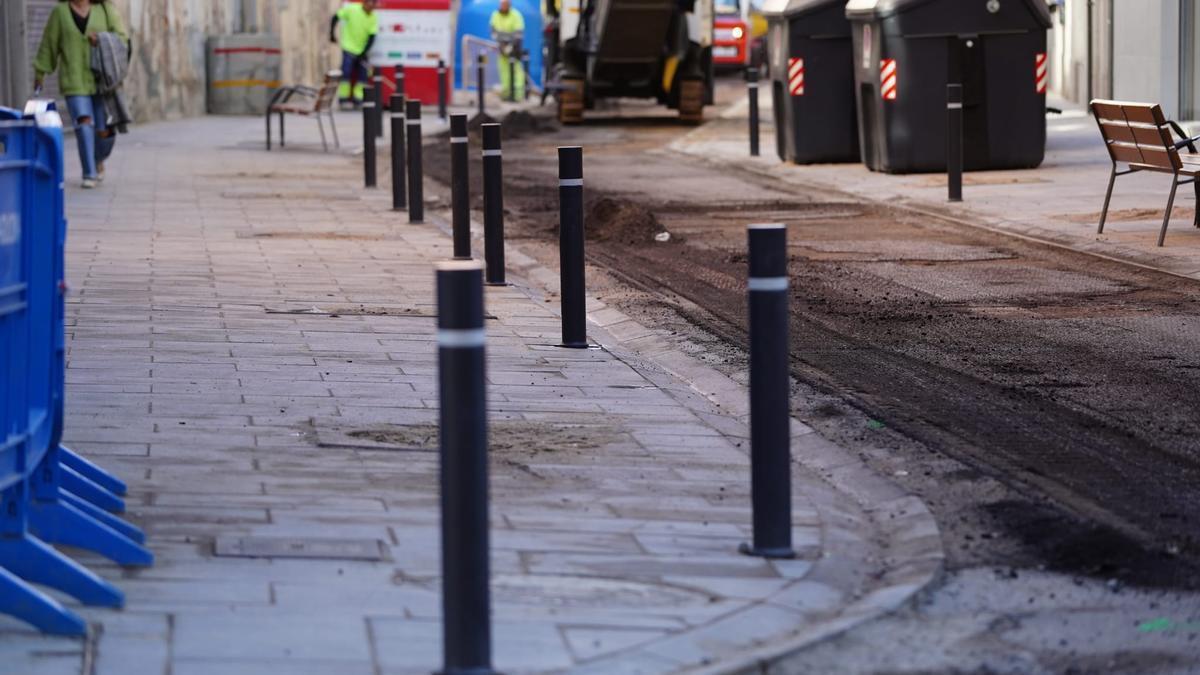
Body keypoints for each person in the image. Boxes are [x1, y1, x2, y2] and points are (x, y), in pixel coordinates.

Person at [33, 0, 128, 189]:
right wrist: (40, 72)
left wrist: (101, 39)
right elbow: (49, 44)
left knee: (104, 131)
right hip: (73, 80)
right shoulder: (60, 12)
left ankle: (98, 159)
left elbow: (122, 39)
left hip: (102, 81)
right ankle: (89, 172)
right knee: (84, 123)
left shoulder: (105, 10)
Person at [330, 0, 379, 109]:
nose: (373, 6)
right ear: (365, 3)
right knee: (346, 73)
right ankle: (343, 99)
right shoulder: (352, 9)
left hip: (361, 50)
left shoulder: (373, 17)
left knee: (363, 75)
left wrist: (364, 52)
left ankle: (358, 98)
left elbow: (372, 37)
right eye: (372, 3)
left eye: (375, 4)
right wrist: (332, 34)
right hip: (348, 48)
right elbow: (335, 17)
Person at [490, 0, 525, 101]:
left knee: (517, 71)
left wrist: (510, 43)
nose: (503, 6)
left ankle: (517, 95)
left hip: (515, 49)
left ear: (509, 5)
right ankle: (506, 94)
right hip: (501, 48)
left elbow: (518, 33)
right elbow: (494, 32)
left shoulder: (516, 15)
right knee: (504, 71)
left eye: (505, 4)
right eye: (502, 4)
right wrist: (503, 42)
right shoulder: (495, 15)